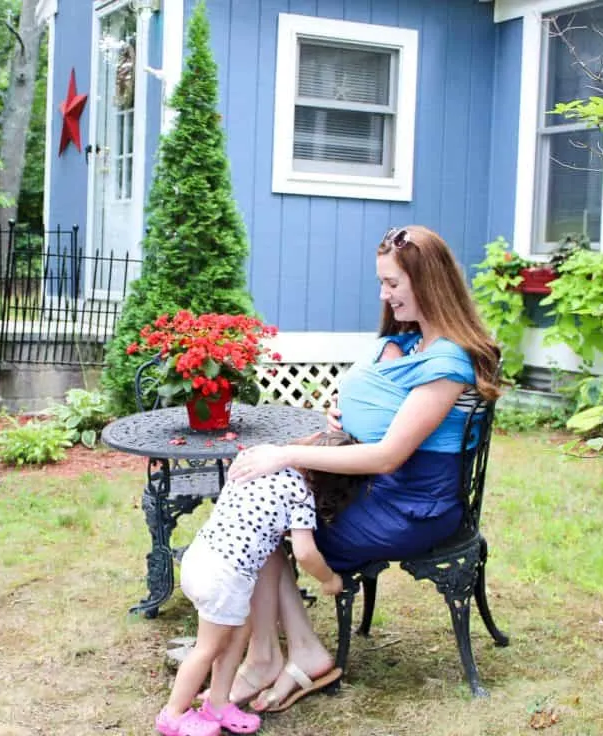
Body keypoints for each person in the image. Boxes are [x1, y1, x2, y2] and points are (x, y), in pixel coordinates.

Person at [221, 225, 501, 713]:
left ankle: (272, 654)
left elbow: (388, 455)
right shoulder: (418, 345)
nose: (383, 294)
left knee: (269, 516)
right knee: (265, 504)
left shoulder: (448, 361)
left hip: (412, 508)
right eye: (382, 282)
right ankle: (275, 654)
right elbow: (392, 423)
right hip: (383, 491)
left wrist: (287, 453)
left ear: (428, 282)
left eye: (393, 283)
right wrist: (346, 414)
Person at [154, 435, 359, 736]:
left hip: (204, 557)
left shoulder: (257, 457)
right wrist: (329, 579)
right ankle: (173, 714)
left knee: (237, 638)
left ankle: (219, 704)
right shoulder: (300, 494)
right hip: (225, 575)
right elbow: (304, 553)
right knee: (209, 648)